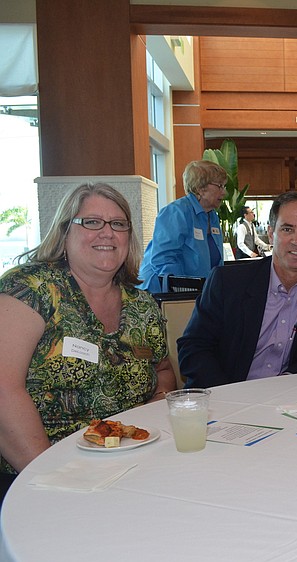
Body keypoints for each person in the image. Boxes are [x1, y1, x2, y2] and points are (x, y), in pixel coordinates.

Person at [0, 183, 175, 481]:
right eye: (91, 222)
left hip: (131, 464)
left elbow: (163, 372)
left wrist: (151, 422)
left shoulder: (142, 304)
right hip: (41, 470)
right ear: (65, 231)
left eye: (118, 224)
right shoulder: (32, 289)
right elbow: (4, 389)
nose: (107, 232)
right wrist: (56, 475)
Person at [178, 190, 297, 388]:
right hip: (225, 397)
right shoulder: (228, 283)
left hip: (291, 398)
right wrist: (228, 395)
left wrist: (287, 383)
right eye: (287, 229)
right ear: (271, 234)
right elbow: (193, 348)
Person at [138, 160, 227, 293]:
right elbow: (163, 259)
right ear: (200, 189)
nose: (224, 192)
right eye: (220, 186)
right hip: (162, 294)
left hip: (197, 293)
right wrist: (185, 291)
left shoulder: (212, 216)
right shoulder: (176, 212)